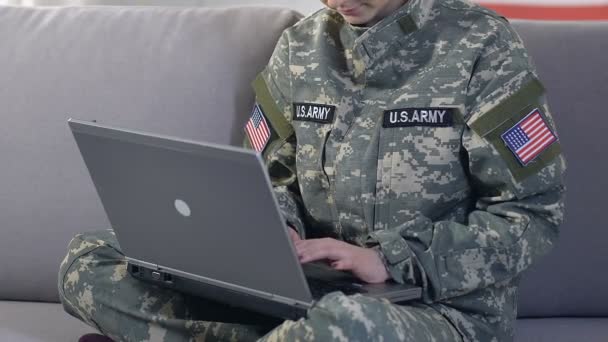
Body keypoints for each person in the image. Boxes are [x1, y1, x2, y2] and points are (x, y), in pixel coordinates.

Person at [59, 0, 567, 341]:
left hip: (434, 310)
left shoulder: (482, 45)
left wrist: (391, 261)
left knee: (344, 327)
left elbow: (530, 216)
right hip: (301, 291)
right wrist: (270, 227)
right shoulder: (300, 48)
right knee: (90, 260)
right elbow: (271, 178)